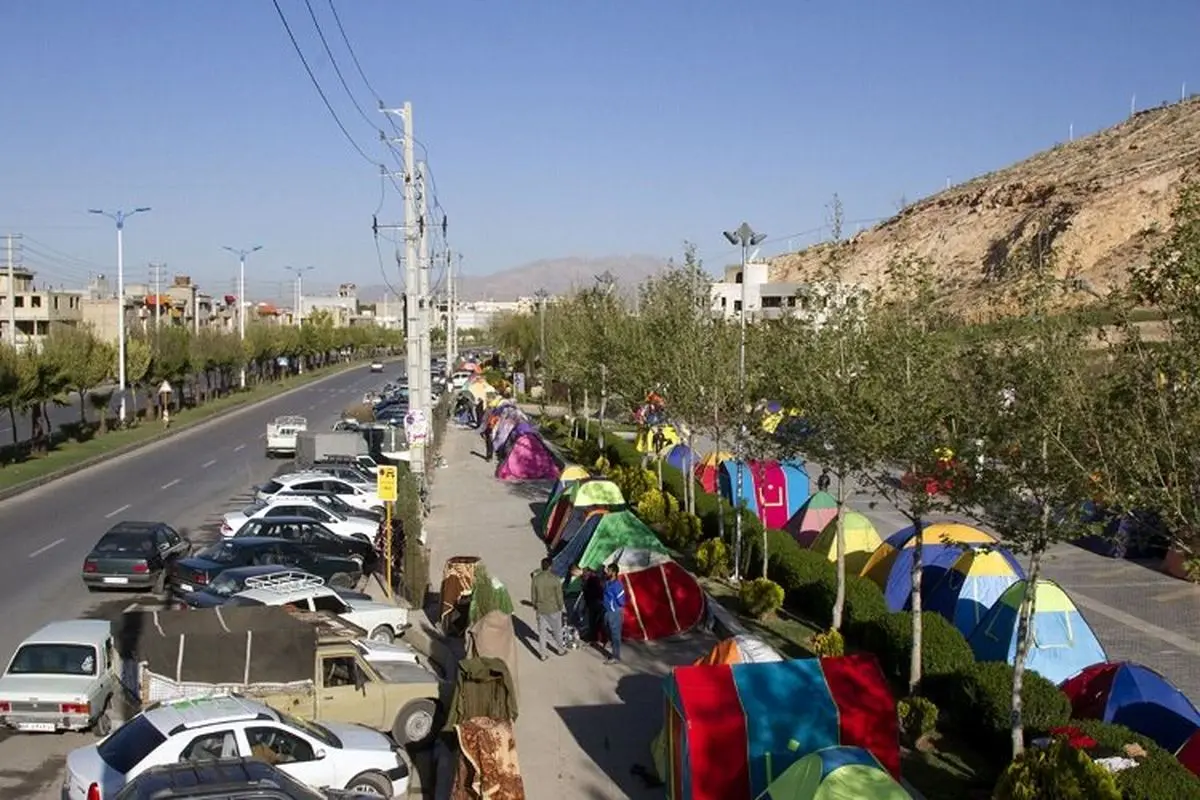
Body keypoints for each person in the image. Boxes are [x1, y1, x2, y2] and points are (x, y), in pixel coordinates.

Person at [530, 557, 566, 660]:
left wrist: (534, 605)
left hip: (541, 609)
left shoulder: (536, 579)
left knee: (542, 632)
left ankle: (543, 654)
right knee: (557, 630)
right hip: (553, 608)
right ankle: (560, 649)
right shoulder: (555, 579)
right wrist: (560, 606)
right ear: (550, 566)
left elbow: (533, 594)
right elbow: (559, 595)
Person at [601, 563, 627, 665]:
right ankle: (611, 641)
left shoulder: (618, 586)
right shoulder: (607, 583)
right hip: (607, 611)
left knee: (616, 634)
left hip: (614, 612)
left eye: (609, 570)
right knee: (607, 628)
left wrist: (615, 607)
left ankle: (616, 656)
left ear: (614, 573)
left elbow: (621, 601)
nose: (606, 572)